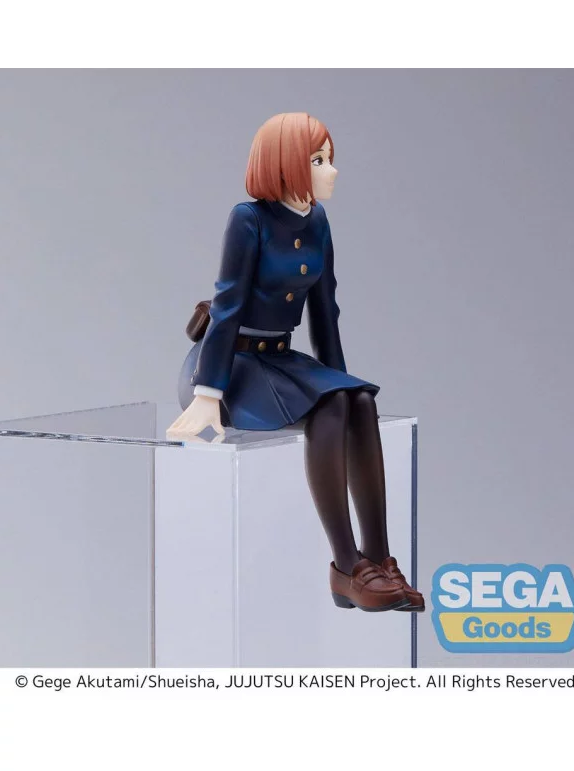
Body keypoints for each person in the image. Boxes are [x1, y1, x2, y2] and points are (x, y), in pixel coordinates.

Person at [168, 112, 425, 613]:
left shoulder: (318, 221)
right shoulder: (248, 220)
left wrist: (342, 380)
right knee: (331, 408)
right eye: (318, 160)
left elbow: (324, 309)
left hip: (280, 360)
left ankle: (379, 559)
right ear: (286, 163)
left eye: (329, 159)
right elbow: (227, 305)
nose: (332, 170)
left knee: (359, 401)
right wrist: (207, 393)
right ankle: (347, 568)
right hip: (231, 365)